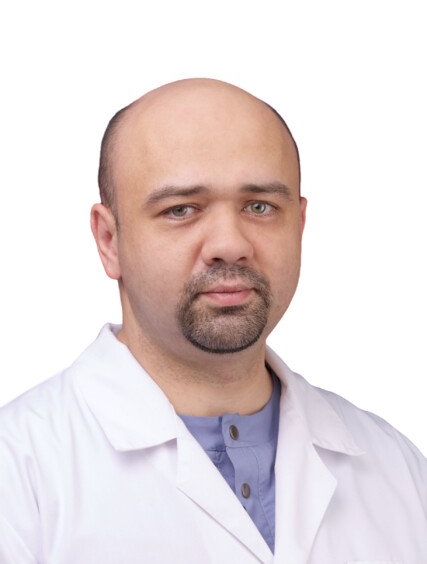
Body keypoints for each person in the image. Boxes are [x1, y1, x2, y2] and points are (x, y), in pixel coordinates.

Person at [0, 78, 425, 564]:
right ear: (109, 241)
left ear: (299, 225)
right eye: (181, 209)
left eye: (260, 206)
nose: (230, 244)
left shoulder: (398, 470)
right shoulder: (18, 474)